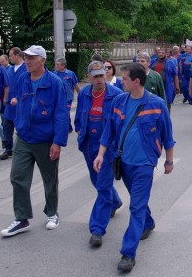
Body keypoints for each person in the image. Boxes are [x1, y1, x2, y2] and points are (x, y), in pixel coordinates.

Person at [94, 62, 175, 272]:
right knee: (139, 202)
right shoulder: (120, 101)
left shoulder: (156, 104)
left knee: (136, 206)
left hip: (144, 165)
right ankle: (148, 223)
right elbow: (108, 131)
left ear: (136, 81)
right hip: (123, 162)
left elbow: (167, 137)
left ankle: (128, 253)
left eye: (125, 79)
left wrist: (169, 161)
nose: (121, 82)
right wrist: (101, 155)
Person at [0, 45, 68, 237]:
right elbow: (19, 104)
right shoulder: (23, 79)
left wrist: (58, 142)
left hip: (46, 140)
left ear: (42, 61)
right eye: (26, 58)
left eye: (32, 58)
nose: (27, 61)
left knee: (50, 179)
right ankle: (21, 218)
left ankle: (52, 213)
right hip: (24, 137)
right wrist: (15, 126)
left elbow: (61, 114)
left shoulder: (55, 83)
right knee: (17, 176)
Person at [74, 61, 124, 247]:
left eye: (102, 75)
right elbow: (79, 116)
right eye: (95, 76)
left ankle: (97, 229)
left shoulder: (117, 95)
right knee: (96, 181)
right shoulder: (85, 93)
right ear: (89, 77)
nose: (100, 79)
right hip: (88, 144)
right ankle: (116, 201)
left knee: (103, 186)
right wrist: (79, 130)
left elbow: (120, 122)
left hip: (107, 147)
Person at [0, 47, 27, 160]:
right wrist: (5, 98)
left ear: (17, 55)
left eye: (11, 55)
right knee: (6, 126)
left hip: (22, 104)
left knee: (22, 127)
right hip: (10, 105)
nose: (9, 57)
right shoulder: (9, 70)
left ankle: (23, 148)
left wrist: (19, 98)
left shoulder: (26, 68)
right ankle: (8, 149)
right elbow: (6, 85)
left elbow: (28, 86)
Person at [54, 58, 81, 132]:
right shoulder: (54, 74)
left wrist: (81, 95)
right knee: (62, 113)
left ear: (63, 66)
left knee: (65, 112)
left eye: (57, 64)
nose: (56, 66)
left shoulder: (70, 74)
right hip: (58, 98)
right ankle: (68, 127)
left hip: (68, 98)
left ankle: (67, 128)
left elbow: (76, 85)